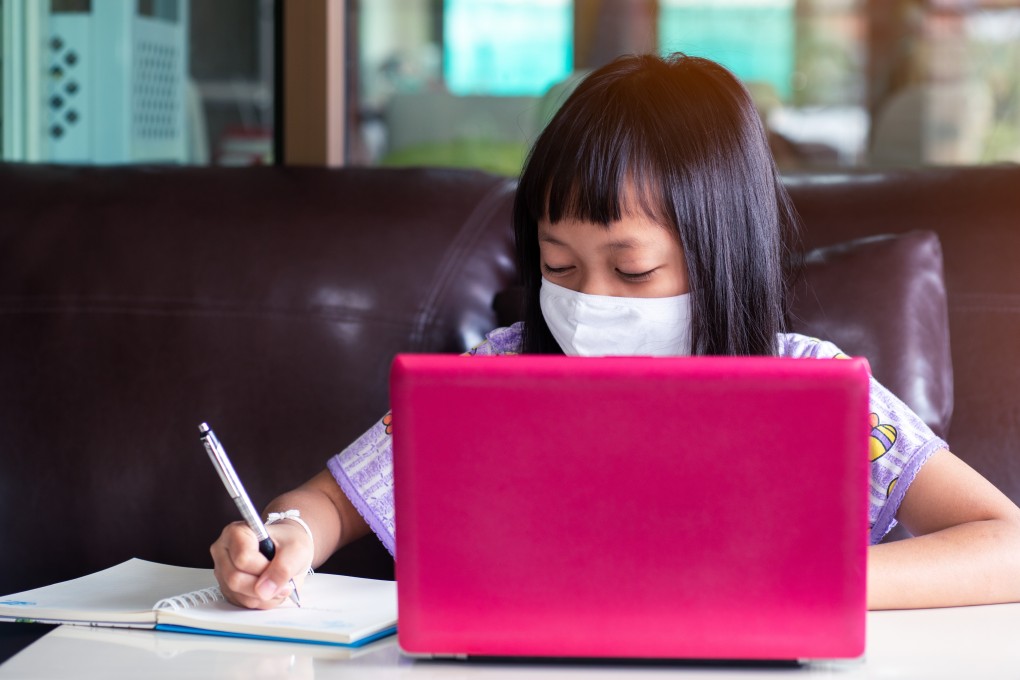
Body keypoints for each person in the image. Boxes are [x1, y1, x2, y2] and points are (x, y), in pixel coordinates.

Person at [211, 53, 1020, 611]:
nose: (588, 300)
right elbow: (325, 502)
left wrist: (808, 577)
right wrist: (283, 539)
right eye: (559, 266)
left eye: (631, 272)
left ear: (720, 254)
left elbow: (1005, 543)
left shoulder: (812, 385)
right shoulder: (499, 374)